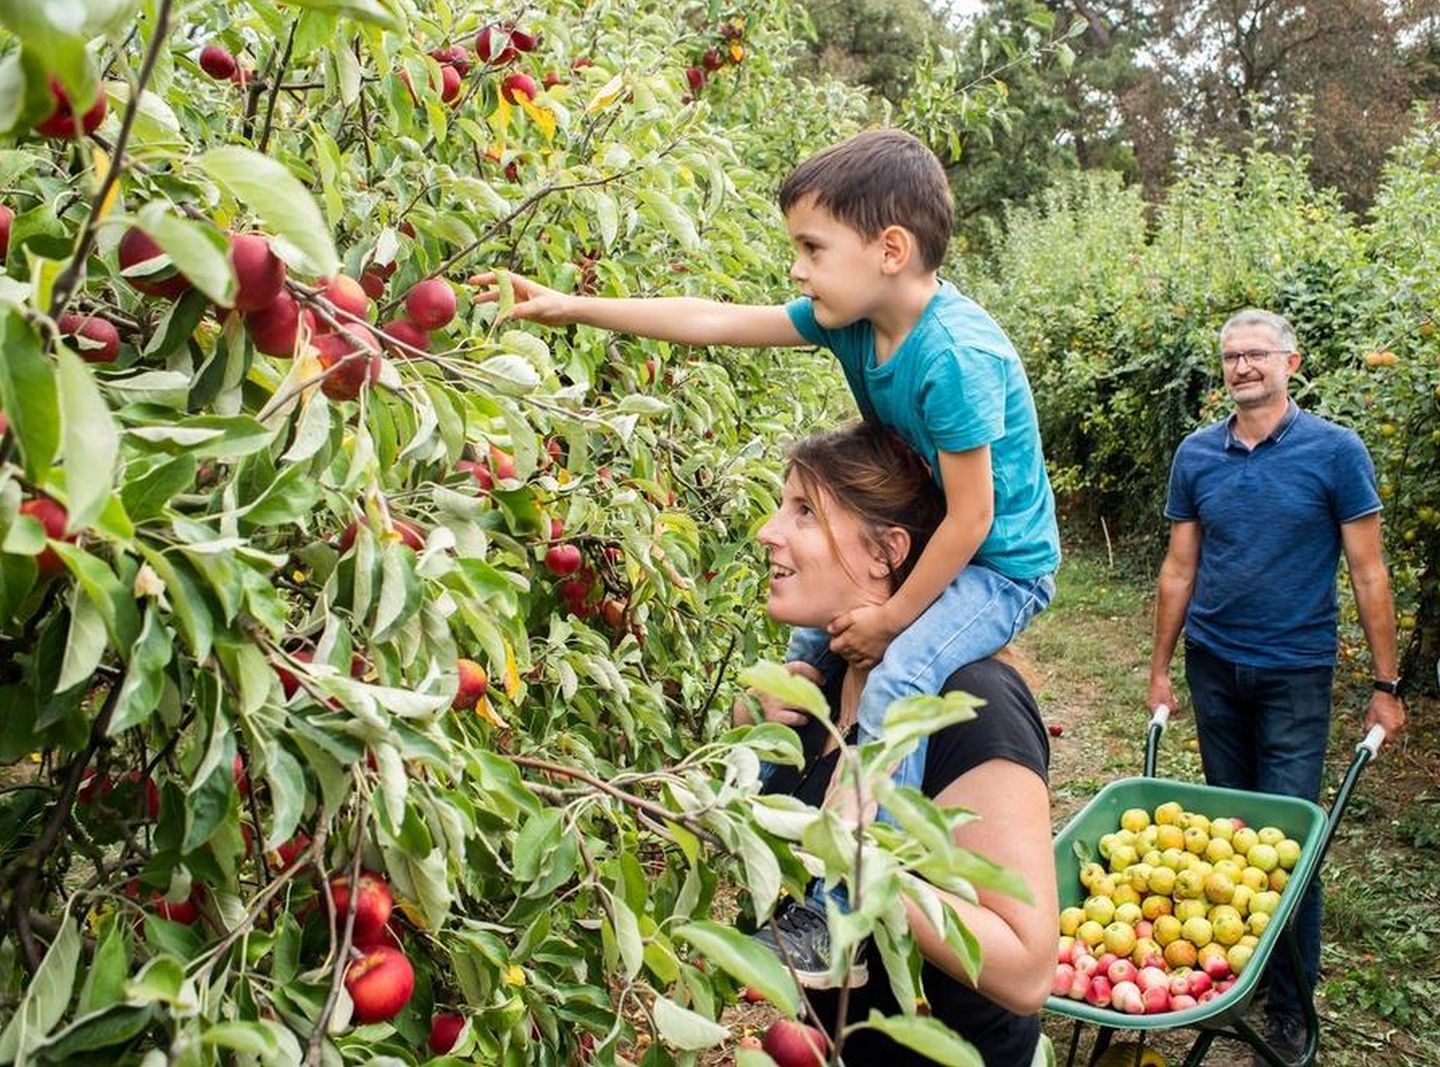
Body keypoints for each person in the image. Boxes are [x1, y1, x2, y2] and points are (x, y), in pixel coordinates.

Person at [476, 129, 1060, 973]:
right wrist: (571, 305)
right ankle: (759, 805)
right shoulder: (855, 324)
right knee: (805, 658)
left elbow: (973, 521)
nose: (797, 269)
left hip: (1001, 570)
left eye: (811, 248)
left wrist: (894, 618)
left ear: (890, 249)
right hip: (942, 544)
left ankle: (846, 910)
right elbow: (711, 322)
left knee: (896, 677)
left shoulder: (956, 358)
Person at [733, 422, 1056, 1062]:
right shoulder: (817, 693)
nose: (769, 531)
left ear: (887, 551)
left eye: (803, 512)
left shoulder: (970, 709)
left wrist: (871, 870)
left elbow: (1026, 970)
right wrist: (754, 743)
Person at [1146, 309, 1406, 1064]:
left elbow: (1369, 571)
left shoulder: (1335, 452)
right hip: (1215, 667)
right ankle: (1243, 972)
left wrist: (1386, 684)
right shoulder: (1197, 455)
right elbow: (1179, 569)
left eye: (1257, 354)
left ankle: (1292, 1008)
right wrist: (1162, 669)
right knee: (1228, 834)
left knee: (1289, 840)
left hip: (1296, 671)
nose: (1242, 367)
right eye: (1230, 356)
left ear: (1292, 361)